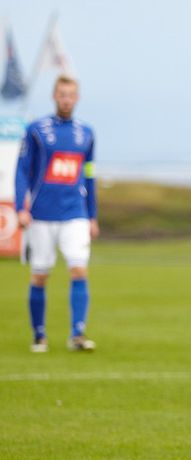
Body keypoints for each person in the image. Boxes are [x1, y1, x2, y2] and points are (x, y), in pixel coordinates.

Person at [15, 74, 99, 353]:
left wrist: (92, 215)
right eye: (62, 94)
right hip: (42, 214)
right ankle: (39, 335)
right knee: (40, 274)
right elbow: (22, 170)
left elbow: (89, 175)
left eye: (71, 95)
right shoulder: (37, 130)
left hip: (75, 212)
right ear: (54, 96)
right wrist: (20, 207)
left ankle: (77, 334)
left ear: (77, 98)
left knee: (79, 268)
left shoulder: (86, 133)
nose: (66, 100)